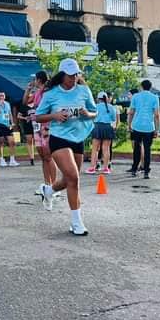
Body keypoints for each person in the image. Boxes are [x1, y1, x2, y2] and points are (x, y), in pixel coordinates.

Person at [35, 58, 97, 236]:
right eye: (70, 75)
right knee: (73, 176)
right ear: (62, 75)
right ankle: (77, 222)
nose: (73, 78)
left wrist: (87, 114)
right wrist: (55, 115)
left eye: (76, 74)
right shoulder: (51, 94)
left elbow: (94, 113)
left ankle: (48, 190)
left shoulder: (84, 90)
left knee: (71, 180)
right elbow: (38, 117)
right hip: (59, 138)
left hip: (78, 138)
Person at [24, 70, 58, 197]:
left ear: (39, 80)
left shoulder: (48, 93)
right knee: (43, 157)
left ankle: (55, 186)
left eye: (35, 79)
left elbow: (51, 109)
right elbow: (26, 102)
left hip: (47, 127)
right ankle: (47, 184)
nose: (33, 81)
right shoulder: (38, 92)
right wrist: (28, 89)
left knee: (49, 156)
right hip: (37, 126)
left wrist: (47, 126)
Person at [128, 79, 160, 180]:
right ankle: (146, 171)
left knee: (136, 149)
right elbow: (157, 115)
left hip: (136, 126)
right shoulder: (155, 98)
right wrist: (157, 129)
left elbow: (131, 112)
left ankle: (134, 169)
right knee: (147, 150)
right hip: (149, 127)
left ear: (141, 87)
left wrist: (129, 125)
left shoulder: (135, 97)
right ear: (150, 87)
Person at [87, 92, 117, 174]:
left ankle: (92, 168)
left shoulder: (95, 106)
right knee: (106, 149)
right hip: (107, 127)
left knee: (95, 149)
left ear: (97, 99)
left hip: (97, 127)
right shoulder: (111, 107)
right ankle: (106, 168)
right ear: (106, 98)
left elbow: (91, 117)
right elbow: (113, 118)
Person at [0, 92, 18, 166]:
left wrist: (12, 122)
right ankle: (1, 159)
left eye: (3, 95)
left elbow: (9, 113)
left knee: (12, 141)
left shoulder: (7, 104)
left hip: (7, 125)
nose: (1, 97)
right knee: (1, 141)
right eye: (0, 96)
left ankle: (12, 160)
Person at [14, 95, 35, 166]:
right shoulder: (24, 106)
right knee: (29, 141)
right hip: (28, 125)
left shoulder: (37, 104)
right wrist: (25, 118)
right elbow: (18, 116)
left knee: (37, 141)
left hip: (37, 125)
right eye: (28, 97)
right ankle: (31, 158)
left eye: (31, 97)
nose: (29, 98)